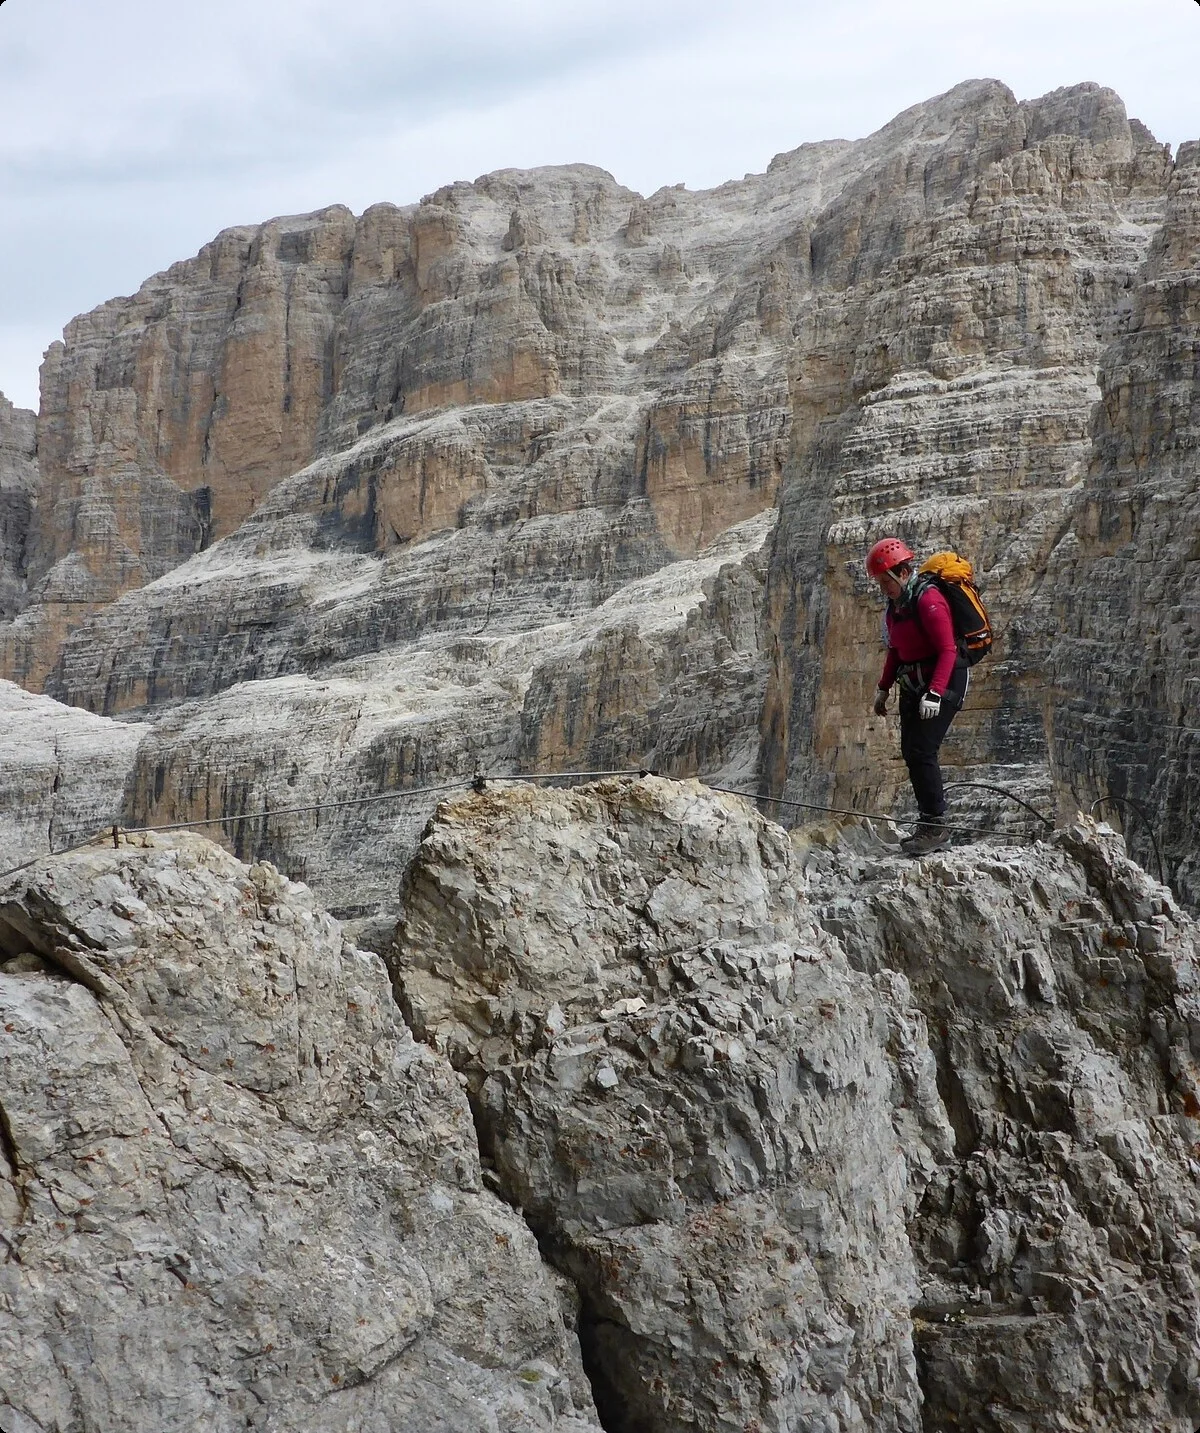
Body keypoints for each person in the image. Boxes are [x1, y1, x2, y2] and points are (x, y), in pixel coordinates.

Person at [865, 537, 969, 855]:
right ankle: (929, 822)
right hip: (914, 682)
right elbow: (896, 650)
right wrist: (883, 689)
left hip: (945, 679)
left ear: (903, 572)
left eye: (887, 582)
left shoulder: (929, 601)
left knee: (923, 750)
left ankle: (936, 826)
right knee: (911, 751)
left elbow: (948, 650)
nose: (884, 588)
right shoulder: (896, 608)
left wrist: (936, 693)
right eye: (880, 583)